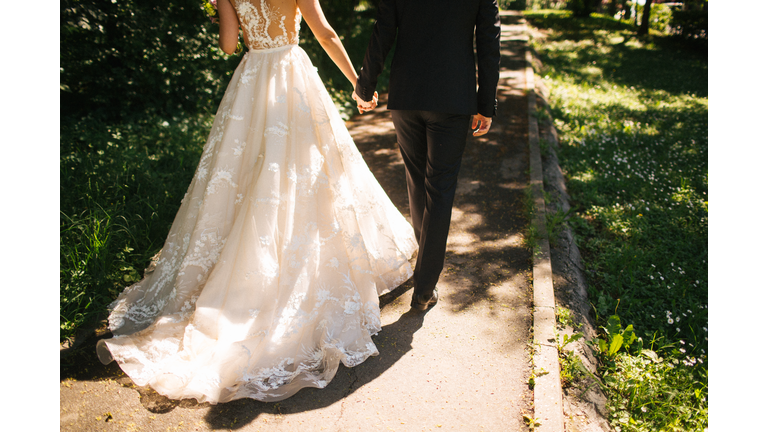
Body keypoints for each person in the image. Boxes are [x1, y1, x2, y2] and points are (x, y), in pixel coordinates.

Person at [96, 0, 418, 404]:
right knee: (307, 171)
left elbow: (230, 46)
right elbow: (325, 33)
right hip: (291, 76)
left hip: (253, 79)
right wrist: (358, 80)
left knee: (246, 176)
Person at [353, 0, 501, 310]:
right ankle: (424, 286)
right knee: (440, 188)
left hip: (407, 94)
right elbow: (489, 41)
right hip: (452, 97)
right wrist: (485, 105)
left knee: (418, 183)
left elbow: (383, 30)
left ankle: (425, 275)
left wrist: (365, 86)